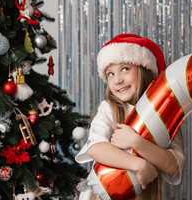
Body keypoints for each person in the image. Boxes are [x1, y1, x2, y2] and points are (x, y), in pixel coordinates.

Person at [75, 34, 185, 200]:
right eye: (110, 74)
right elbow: (95, 147)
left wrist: (136, 142)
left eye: (125, 69)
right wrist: (139, 165)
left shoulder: (166, 114)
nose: (117, 80)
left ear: (144, 69)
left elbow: (173, 166)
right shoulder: (109, 109)